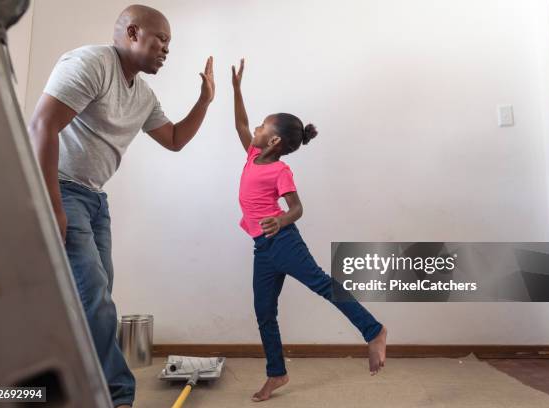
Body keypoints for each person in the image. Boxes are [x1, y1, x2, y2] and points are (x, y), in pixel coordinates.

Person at [28, 5, 215, 407]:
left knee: (96, 297)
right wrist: (53, 207)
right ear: (132, 32)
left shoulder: (144, 95)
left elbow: (175, 139)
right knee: (93, 293)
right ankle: (118, 397)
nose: (167, 49)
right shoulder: (92, 63)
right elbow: (42, 125)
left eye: (170, 43)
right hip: (60, 188)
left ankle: (72, 382)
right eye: (161, 39)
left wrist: (205, 100)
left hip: (95, 199)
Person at [231, 59, 387, 402]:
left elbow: (297, 209)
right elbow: (241, 122)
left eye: (261, 127)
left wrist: (281, 220)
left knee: (322, 284)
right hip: (263, 248)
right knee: (263, 312)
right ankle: (277, 373)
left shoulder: (280, 171)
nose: (253, 128)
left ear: (273, 140)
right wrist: (236, 89)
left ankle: (373, 331)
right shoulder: (252, 154)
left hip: (283, 242)